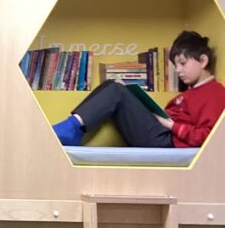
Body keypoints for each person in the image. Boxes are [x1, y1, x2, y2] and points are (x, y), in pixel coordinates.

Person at [52, 30, 225, 148]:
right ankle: (73, 127)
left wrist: (171, 125)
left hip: (167, 140)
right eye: (176, 66)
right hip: (161, 133)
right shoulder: (191, 92)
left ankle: (69, 129)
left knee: (116, 91)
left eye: (183, 63)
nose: (178, 71)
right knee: (112, 85)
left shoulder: (215, 93)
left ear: (203, 61)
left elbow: (209, 137)